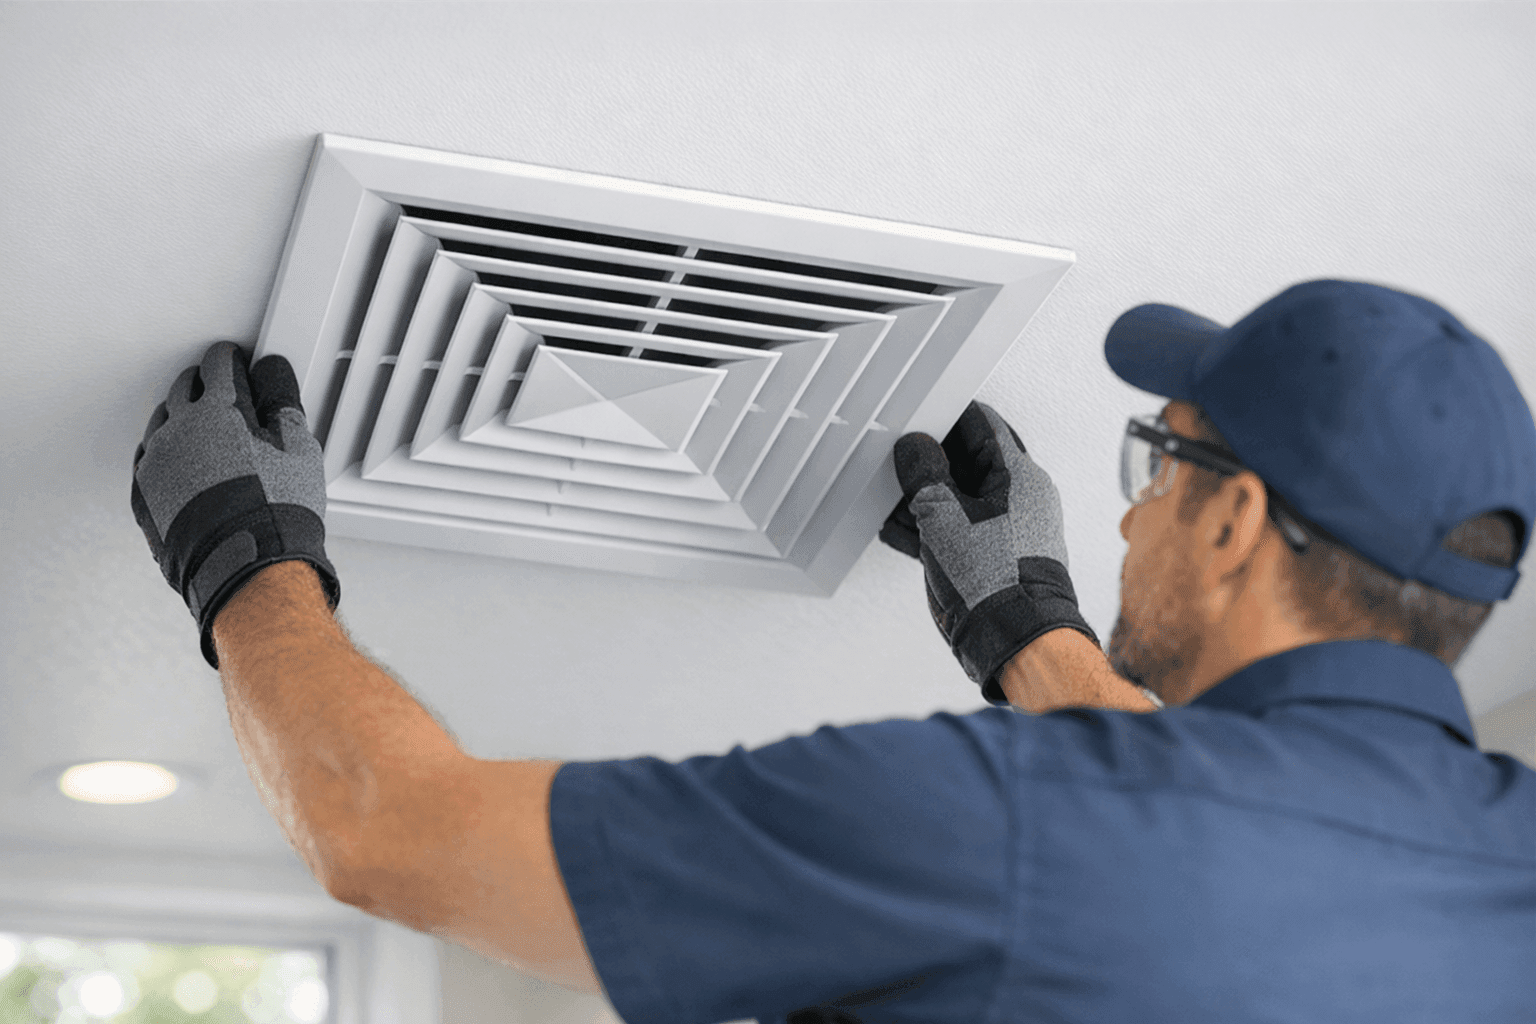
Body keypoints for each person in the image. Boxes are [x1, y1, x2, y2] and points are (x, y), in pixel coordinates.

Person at [131, 279, 1536, 1022]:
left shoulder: (1006, 824)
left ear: (1232, 524)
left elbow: (390, 834)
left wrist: (243, 557)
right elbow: (1227, 843)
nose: (1131, 512)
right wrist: (1037, 639)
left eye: (1160, 463)